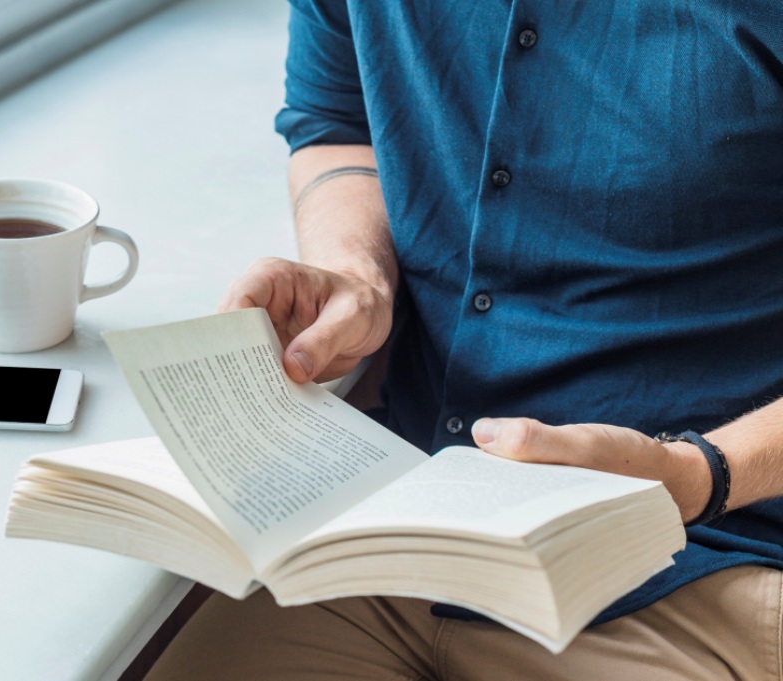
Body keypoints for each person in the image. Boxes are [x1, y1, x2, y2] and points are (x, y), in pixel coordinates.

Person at [145, 2, 783, 679]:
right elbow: (340, 122)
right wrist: (355, 268)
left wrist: (694, 475)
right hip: (400, 522)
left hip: (708, 558)